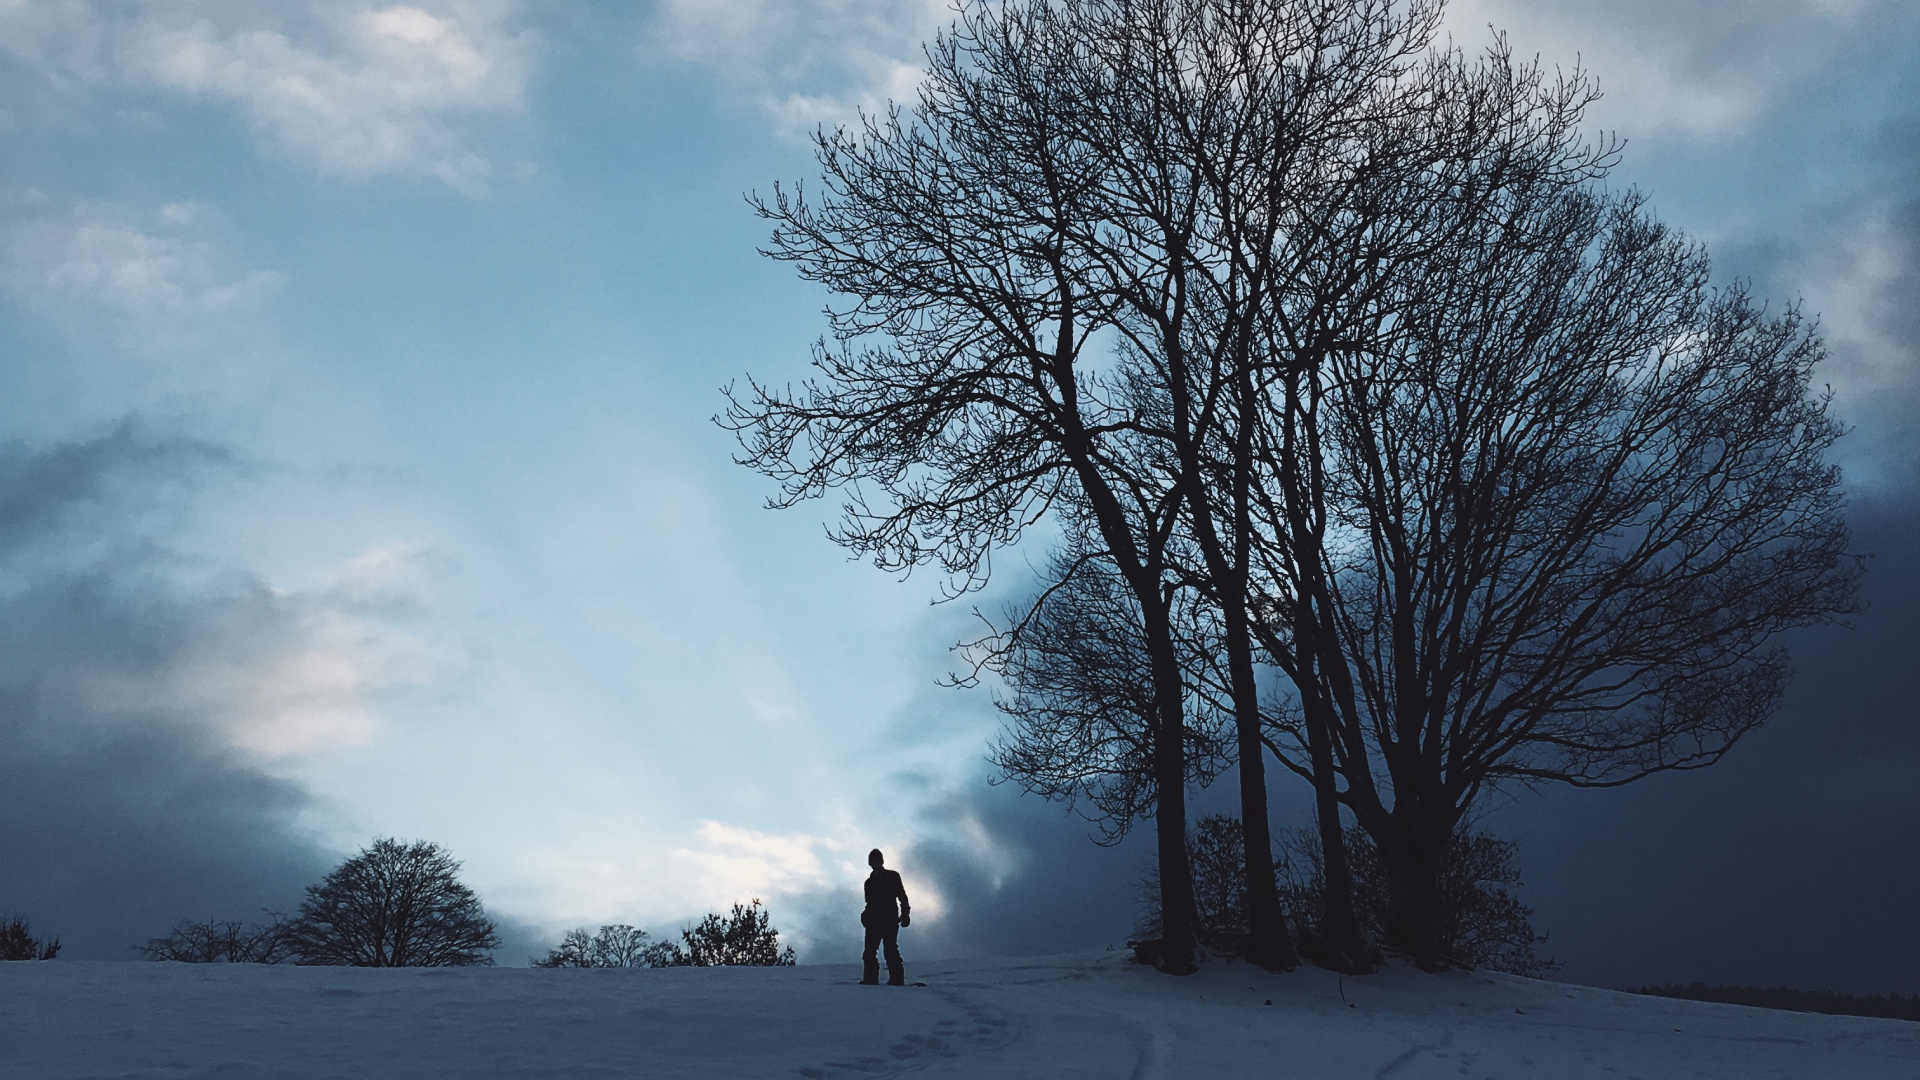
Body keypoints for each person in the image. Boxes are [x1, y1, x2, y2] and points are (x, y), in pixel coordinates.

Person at [860, 848, 910, 986]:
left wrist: (905, 912)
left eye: (877, 860)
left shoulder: (892, 876)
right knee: (869, 952)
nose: (875, 863)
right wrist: (865, 915)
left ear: (882, 861)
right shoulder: (868, 883)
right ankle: (870, 979)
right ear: (870, 863)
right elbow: (869, 902)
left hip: (889, 919)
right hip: (873, 921)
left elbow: (901, 895)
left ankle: (897, 979)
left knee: (890, 949)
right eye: (873, 861)